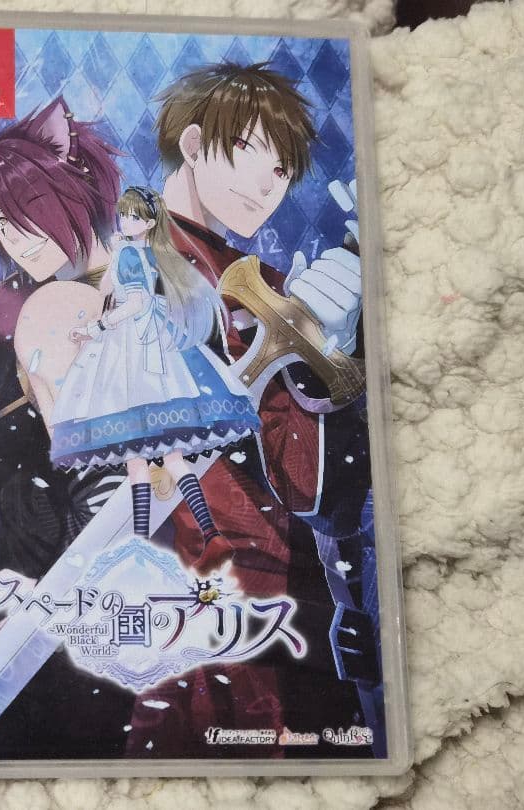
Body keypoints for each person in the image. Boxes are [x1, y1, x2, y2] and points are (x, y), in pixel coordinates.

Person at [121, 62, 380, 759]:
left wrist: (331, 353)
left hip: (254, 603)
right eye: (250, 153)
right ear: (195, 144)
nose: (267, 186)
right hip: (169, 596)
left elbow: (312, 487)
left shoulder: (258, 286)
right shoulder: (123, 260)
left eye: (282, 172)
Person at [0, 96, 136, 758]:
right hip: (3, 577)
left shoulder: (145, 290)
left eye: (25, 214)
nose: (16, 239)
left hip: (115, 578)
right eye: (0, 227)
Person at [48, 186, 260, 547]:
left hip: (134, 346)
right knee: (170, 458)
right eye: (123, 214)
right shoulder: (152, 253)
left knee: (138, 461)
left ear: (148, 222)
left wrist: (95, 328)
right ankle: (210, 533)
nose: (125, 221)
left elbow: (133, 302)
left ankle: (143, 543)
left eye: (134, 216)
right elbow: (110, 288)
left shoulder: (132, 253)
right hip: (158, 342)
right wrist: (116, 255)